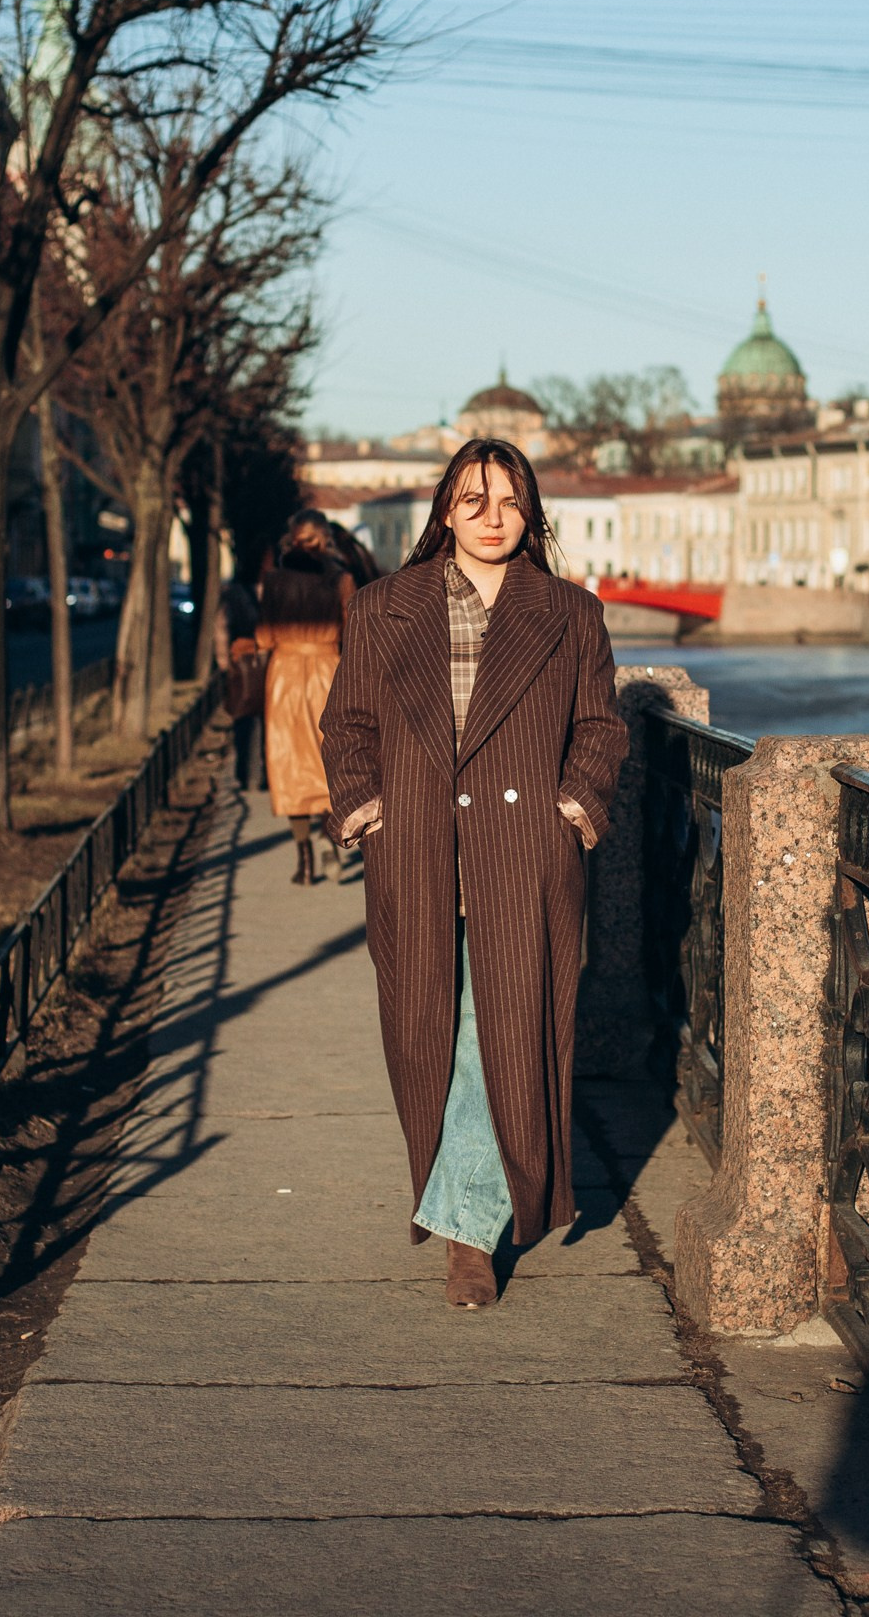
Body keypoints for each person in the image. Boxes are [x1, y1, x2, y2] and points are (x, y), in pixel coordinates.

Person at [319, 438, 626, 1310]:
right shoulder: (383, 607)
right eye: (473, 501)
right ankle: (462, 1202)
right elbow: (348, 722)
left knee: (503, 1037)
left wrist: (573, 806)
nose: (493, 519)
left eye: (510, 501)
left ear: (532, 513)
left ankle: (467, 1233)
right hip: (417, 848)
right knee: (429, 1036)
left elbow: (600, 727)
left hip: (521, 854)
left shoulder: (570, 612)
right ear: (445, 512)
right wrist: (364, 806)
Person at [257, 511, 355, 883]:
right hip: (327, 671)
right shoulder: (341, 579)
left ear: (292, 539)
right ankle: (331, 842)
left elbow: (265, 636)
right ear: (325, 539)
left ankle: (305, 861)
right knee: (328, 760)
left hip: (284, 676)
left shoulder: (275, 581)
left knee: (289, 763)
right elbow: (353, 630)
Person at [218, 570, 265, 793]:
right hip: (246, 660)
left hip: (260, 659)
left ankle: (254, 774)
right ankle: (248, 773)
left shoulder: (272, 586)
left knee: (258, 721)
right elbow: (222, 626)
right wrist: (224, 661)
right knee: (246, 719)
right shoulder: (236, 592)